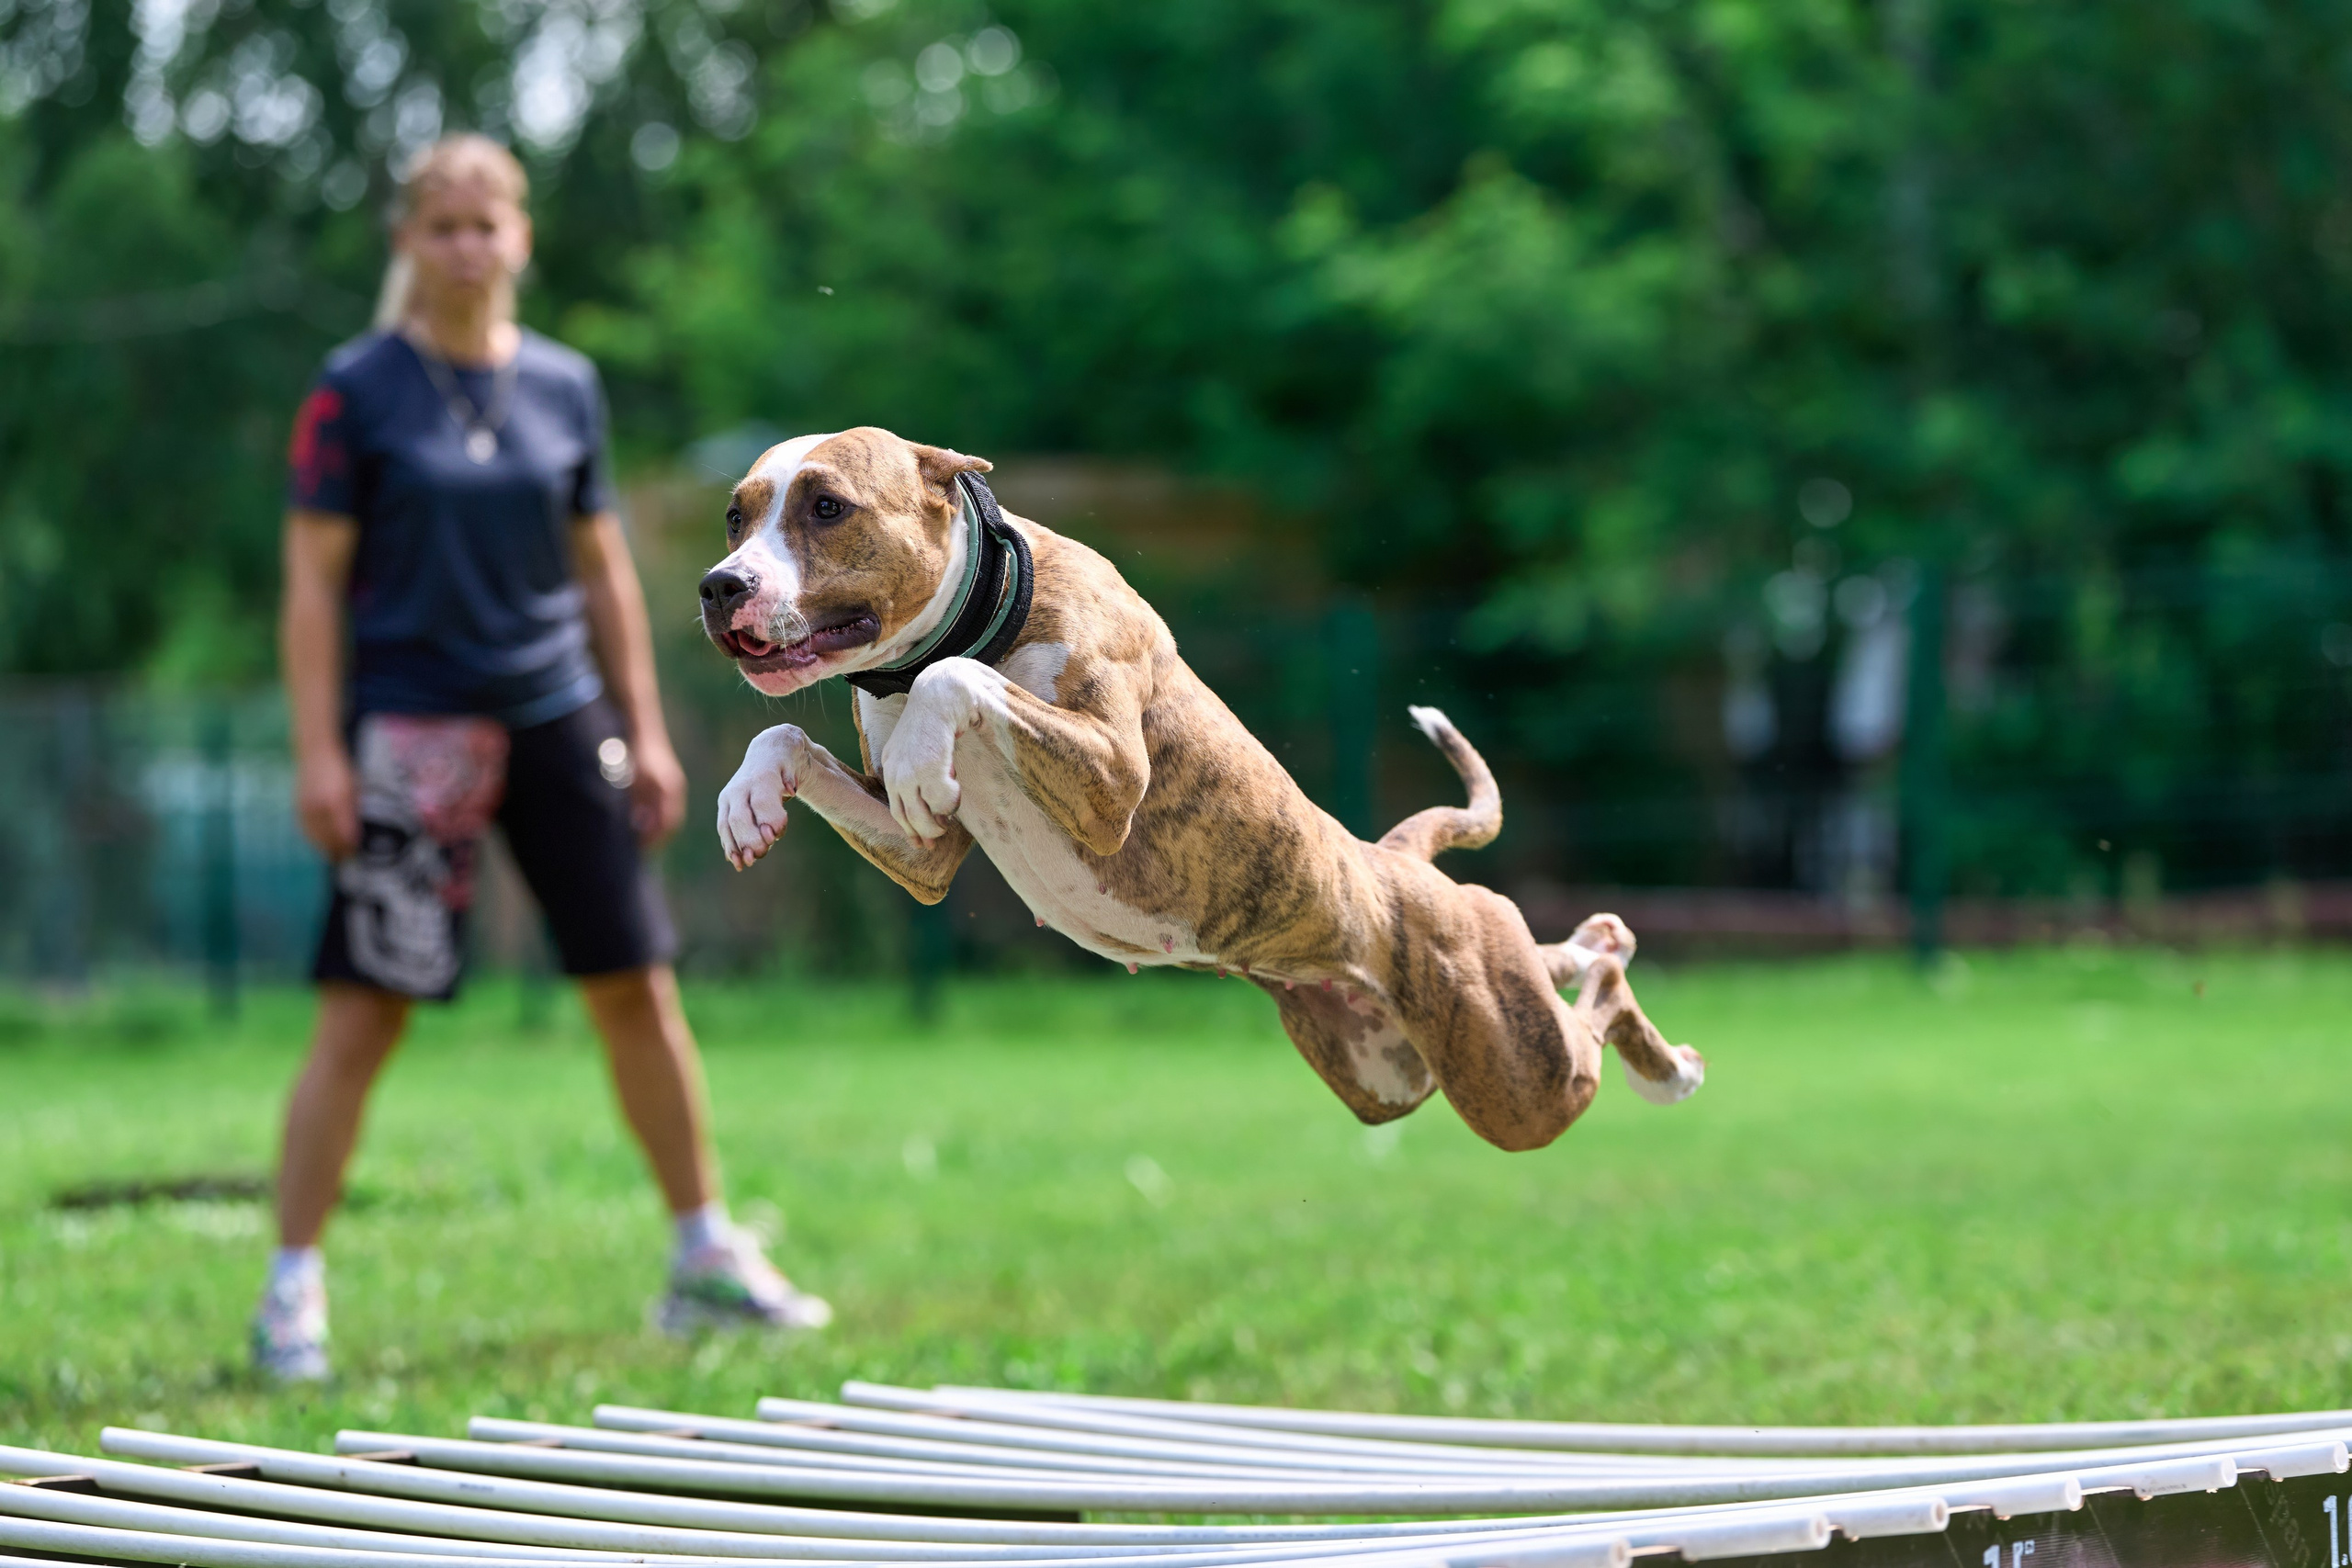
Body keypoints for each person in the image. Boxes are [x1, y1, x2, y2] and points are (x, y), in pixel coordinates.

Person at [254, 133, 829, 1382]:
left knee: (637, 986)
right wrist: (319, 753)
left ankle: (704, 1259)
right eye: (442, 225)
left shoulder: (567, 386)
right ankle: (291, 1291)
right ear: (410, 241)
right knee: (366, 1012)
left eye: (487, 224)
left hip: (562, 717)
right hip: (415, 732)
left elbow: (605, 570)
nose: (467, 245)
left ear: (520, 237)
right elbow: (311, 583)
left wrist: (651, 727)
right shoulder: (355, 391)